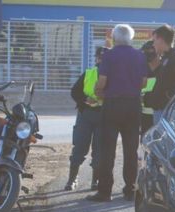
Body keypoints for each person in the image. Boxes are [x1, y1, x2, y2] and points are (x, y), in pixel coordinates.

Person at [87, 24, 148, 202]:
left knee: (107, 150)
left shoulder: (109, 55)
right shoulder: (139, 56)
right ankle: (130, 189)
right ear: (131, 38)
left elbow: (102, 81)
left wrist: (100, 92)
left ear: (114, 38)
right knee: (131, 150)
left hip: (112, 105)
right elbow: (143, 82)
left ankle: (105, 191)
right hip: (133, 105)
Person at [65, 46, 107, 191]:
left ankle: (95, 180)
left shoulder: (114, 76)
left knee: (99, 150)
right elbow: (74, 91)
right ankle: (72, 179)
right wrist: (84, 99)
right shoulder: (89, 73)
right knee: (80, 147)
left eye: (104, 58)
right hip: (86, 115)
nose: (101, 61)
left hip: (104, 116)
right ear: (96, 59)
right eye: (100, 58)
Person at [144, 24, 175, 125]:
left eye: (154, 40)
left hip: (166, 112)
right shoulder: (165, 58)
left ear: (161, 40)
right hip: (159, 110)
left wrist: (167, 97)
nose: (153, 44)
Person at [140, 40, 162, 136]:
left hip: (161, 114)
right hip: (145, 115)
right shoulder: (141, 69)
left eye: (151, 51)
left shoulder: (165, 68)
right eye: (146, 52)